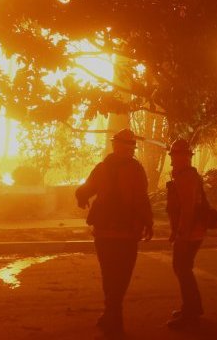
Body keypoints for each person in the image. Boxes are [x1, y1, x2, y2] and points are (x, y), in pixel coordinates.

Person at [76, 128, 155, 336]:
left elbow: (86, 189)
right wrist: (149, 223)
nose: (130, 149)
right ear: (127, 147)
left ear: (114, 145)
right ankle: (114, 318)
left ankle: (109, 314)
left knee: (109, 275)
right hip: (126, 234)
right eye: (129, 146)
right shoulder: (136, 170)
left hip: (103, 233)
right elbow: (141, 200)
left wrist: (81, 197)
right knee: (121, 276)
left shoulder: (102, 168)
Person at [165, 138, 208, 328]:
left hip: (190, 233)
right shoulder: (185, 175)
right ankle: (192, 307)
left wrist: (181, 235)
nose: (172, 159)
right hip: (190, 232)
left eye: (175, 155)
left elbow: (188, 209)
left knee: (182, 269)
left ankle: (191, 314)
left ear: (184, 157)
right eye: (172, 155)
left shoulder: (185, 178)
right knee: (183, 269)